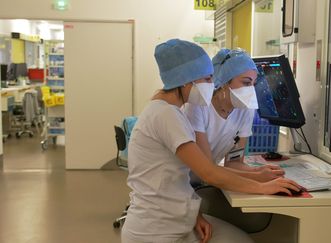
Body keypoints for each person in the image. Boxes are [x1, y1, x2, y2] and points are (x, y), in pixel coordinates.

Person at [121, 39, 302, 243]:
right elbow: (207, 172)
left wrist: (194, 215)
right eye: (207, 79)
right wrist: (262, 186)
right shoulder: (167, 115)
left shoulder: (167, 111)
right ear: (186, 79)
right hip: (155, 231)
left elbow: (174, 179)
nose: (212, 85)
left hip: (174, 220)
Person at [184, 48, 284, 186]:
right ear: (224, 83)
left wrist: (258, 171)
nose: (251, 90)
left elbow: (234, 163)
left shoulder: (245, 110)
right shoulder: (198, 107)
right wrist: (258, 179)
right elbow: (207, 169)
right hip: (182, 183)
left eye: (253, 84)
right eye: (246, 83)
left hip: (207, 181)